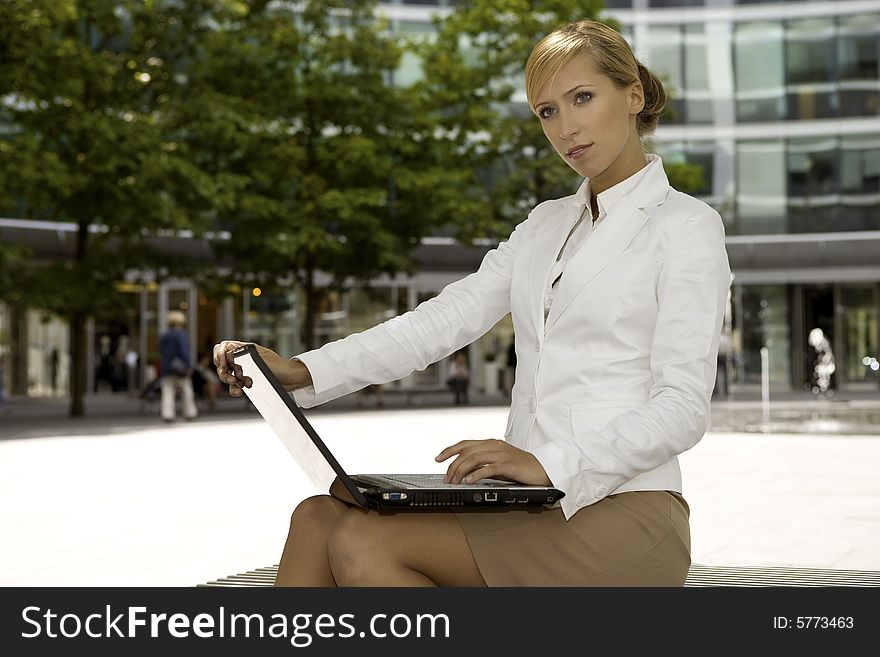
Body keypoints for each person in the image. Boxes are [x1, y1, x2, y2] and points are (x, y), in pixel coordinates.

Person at [213, 19, 730, 587]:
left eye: (583, 97)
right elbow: (440, 321)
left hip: (628, 509)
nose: (566, 128)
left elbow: (683, 406)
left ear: (633, 95)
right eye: (547, 111)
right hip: (530, 503)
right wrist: (302, 371)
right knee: (317, 517)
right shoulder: (545, 225)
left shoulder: (685, 226)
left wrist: (547, 464)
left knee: (364, 543)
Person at [158, 310, 198, 422]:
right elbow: (184, 351)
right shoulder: (181, 335)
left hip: (167, 367)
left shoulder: (165, 335)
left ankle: (167, 414)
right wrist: (189, 365)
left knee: (167, 390)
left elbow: (161, 350)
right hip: (181, 366)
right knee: (186, 389)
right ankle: (190, 412)